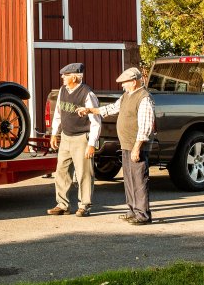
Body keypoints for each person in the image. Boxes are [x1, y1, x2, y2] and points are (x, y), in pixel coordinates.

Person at [80, 67, 155, 225]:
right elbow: (110, 109)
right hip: (127, 144)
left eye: (125, 83)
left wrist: (137, 147)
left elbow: (146, 126)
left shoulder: (144, 98)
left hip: (136, 146)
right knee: (129, 178)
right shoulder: (126, 96)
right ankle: (132, 210)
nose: (122, 86)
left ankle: (143, 215)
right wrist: (90, 110)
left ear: (134, 82)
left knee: (139, 180)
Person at [47, 62, 101, 217]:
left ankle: (84, 206)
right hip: (65, 137)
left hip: (81, 138)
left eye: (66, 75)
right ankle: (62, 205)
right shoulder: (63, 90)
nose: (63, 77)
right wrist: (54, 134)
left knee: (84, 173)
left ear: (75, 77)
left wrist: (92, 144)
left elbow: (96, 120)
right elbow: (58, 113)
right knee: (61, 172)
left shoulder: (87, 93)